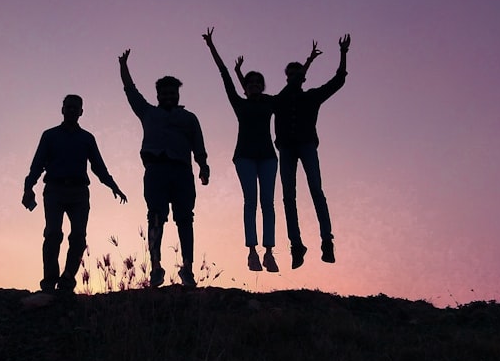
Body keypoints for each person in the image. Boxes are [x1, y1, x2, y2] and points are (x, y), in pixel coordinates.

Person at [202, 27, 321, 274]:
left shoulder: (271, 103)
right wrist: (212, 47)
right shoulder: (240, 103)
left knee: (268, 203)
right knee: (250, 202)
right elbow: (224, 75)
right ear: (245, 88)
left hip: (268, 157)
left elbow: (293, 86)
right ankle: (252, 252)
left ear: (262, 87)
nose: (255, 86)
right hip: (244, 156)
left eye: (258, 83)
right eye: (250, 83)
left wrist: (307, 63)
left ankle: (268, 252)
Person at [119, 49, 209, 288]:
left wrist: (203, 166)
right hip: (156, 171)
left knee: (185, 219)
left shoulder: (189, 118)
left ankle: (187, 268)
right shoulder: (148, 112)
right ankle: (156, 266)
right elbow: (131, 92)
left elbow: (198, 144)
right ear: (158, 94)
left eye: (173, 93)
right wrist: (123, 66)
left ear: (178, 94)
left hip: (181, 172)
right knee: (156, 217)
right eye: (165, 93)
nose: (169, 96)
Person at [23, 94, 127, 293]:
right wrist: (28, 187)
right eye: (68, 106)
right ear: (62, 109)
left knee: (79, 237)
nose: (71, 110)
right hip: (54, 189)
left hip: (79, 193)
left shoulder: (87, 138)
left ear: (81, 112)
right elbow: (36, 165)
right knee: (53, 234)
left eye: (75, 107)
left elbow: (99, 167)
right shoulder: (50, 135)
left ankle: (68, 279)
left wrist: (113, 186)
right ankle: (49, 281)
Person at [273, 34, 351, 268]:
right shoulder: (281, 99)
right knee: (289, 197)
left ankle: (327, 240)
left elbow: (338, 81)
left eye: (298, 74)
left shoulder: (312, 97)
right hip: (286, 149)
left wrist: (343, 54)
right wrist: (308, 62)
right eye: (291, 74)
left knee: (316, 191)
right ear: (287, 77)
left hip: (306, 146)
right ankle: (296, 245)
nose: (295, 77)